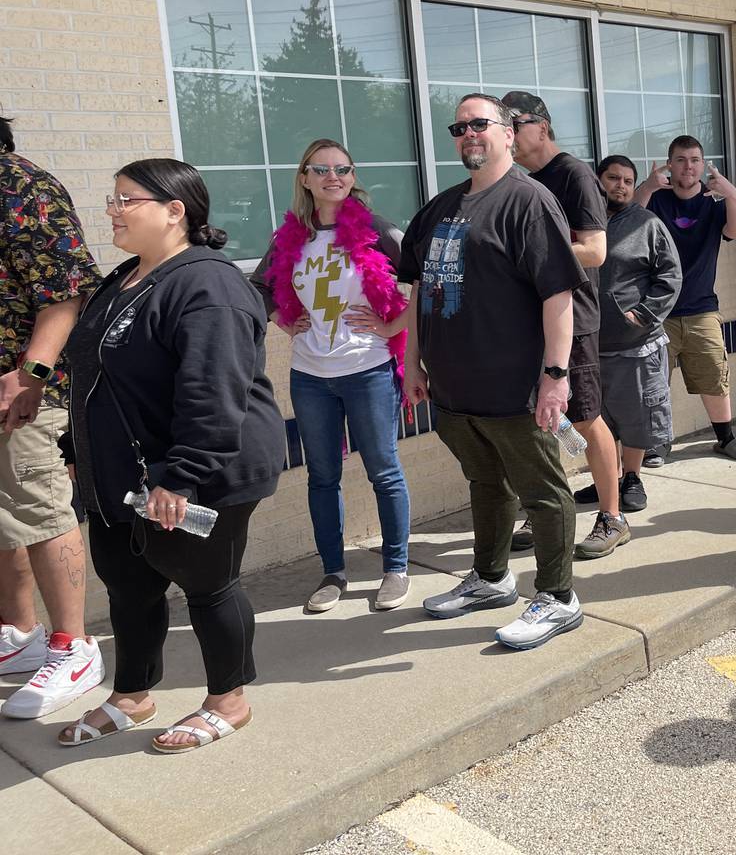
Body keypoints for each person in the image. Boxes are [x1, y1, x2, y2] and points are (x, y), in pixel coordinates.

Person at [60, 158, 286, 751]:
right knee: (129, 586)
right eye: (111, 200)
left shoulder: (209, 284)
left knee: (208, 585)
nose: (112, 210)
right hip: (119, 473)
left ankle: (227, 700)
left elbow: (214, 389)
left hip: (195, 472)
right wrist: (73, 446)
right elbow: (93, 372)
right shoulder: (126, 278)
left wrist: (180, 476)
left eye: (124, 200)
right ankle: (132, 695)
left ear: (174, 210)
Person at [405, 94, 587, 650]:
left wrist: (556, 375)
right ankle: (490, 578)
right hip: (455, 390)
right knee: (485, 484)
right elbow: (418, 289)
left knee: (544, 493)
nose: (468, 135)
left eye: (479, 124)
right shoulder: (439, 209)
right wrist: (412, 361)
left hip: (517, 389)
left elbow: (558, 294)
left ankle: (558, 597)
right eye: (459, 127)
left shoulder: (529, 202)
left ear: (509, 133)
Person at [252, 138, 412, 614]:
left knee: (384, 470)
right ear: (304, 178)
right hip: (309, 373)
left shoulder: (377, 230)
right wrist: (282, 317)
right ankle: (333, 572)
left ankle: (396, 567)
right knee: (322, 476)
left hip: (367, 368)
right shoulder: (288, 238)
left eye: (342, 168)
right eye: (320, 169)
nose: (333, 177)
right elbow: (259, 289)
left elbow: (429, 283)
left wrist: (392, 325)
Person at [0, 111, 105, 721]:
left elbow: (65, 290)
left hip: (25, 391)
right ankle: (20, 634)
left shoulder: (21, 186)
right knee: (5, 514)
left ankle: (75, 645)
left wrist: (31, 374)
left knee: (39, 509)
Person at [503, 91, 628, 560]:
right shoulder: (523, 179)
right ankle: (548, 515)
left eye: (513, 125)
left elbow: (595, 251)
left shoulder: (572, 174)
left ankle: (613, 517)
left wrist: (521, 251)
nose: (508, 136)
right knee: (539, 425)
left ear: (542, 126)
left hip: (574, 320)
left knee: (585, 417)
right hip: (532, 321)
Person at [584, 154, 682, 551]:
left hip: (634, 346)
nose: (620, 186)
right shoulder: (581, 226)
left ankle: (632, 478)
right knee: (596, 421)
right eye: (613, 178)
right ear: (598, 180)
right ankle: (604, 482)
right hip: (589, 344)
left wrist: (643, 314)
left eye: (628, 180)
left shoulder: (648, 225)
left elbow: (671, 276)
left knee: (636, 415)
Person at [636, 135, 736, 461]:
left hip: (702, 307)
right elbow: (626, 224)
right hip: (658, 311)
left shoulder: (714, 201)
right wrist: (646, 187)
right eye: (681, 160)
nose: (689, 167)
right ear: (669, 164)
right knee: (654, 383)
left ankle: (726, 438)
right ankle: (657, 443)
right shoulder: (655, 199)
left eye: (695, 160)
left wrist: (729, 191)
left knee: (714, 375)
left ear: (703, 164)